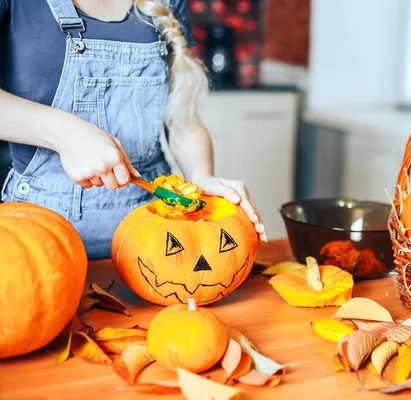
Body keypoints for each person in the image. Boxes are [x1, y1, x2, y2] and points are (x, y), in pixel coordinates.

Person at [0, 0, 267, 259]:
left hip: (154, 236)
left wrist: (201, 175)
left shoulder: (168, 2)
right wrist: (66, 132)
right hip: (40, 236)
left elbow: (183, 120)